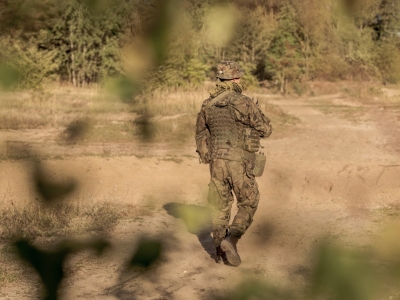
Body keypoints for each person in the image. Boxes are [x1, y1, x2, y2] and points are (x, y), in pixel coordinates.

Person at [195, 61, 272, 266]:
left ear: (220, 79)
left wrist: (208, 156)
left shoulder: (207, 104)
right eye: (239, 76)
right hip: (239, 161)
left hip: (217, 162)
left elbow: (201, 134)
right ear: (235, 78)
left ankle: (219, 251)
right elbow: (266, 129)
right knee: (249, 201)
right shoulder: (243, 102)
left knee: (220, 206)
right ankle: (233, 239)